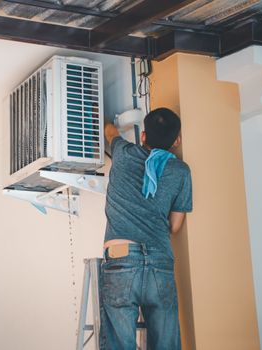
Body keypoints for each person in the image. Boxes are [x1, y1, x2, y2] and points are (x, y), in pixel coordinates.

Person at [99, 107, 193, 349]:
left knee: (119, 343)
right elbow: (174, 225)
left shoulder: (123, 153)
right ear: (177, 141)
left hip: (121, 259)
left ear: (143, 137)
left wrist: (108, 116)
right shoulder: (181, 171)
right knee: (166, 343)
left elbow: (110, 132)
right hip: (159, 263)